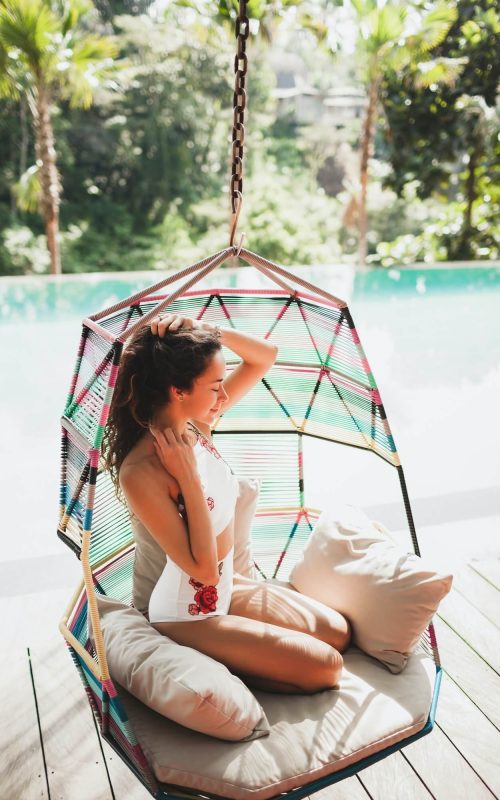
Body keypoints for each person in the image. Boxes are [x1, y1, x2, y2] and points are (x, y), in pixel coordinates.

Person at [103, 312, 351, 694]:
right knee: (328, 667)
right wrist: (188, 479)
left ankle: (240, 652)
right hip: (188, 613)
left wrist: (206, 332)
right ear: (178, 390)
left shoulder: (195, 425)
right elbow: (202, 571)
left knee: (338, 632)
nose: (224, 396)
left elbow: (265, 357)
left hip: (228, 590)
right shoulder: (142, 472)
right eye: (216, 385)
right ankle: (222, 659)